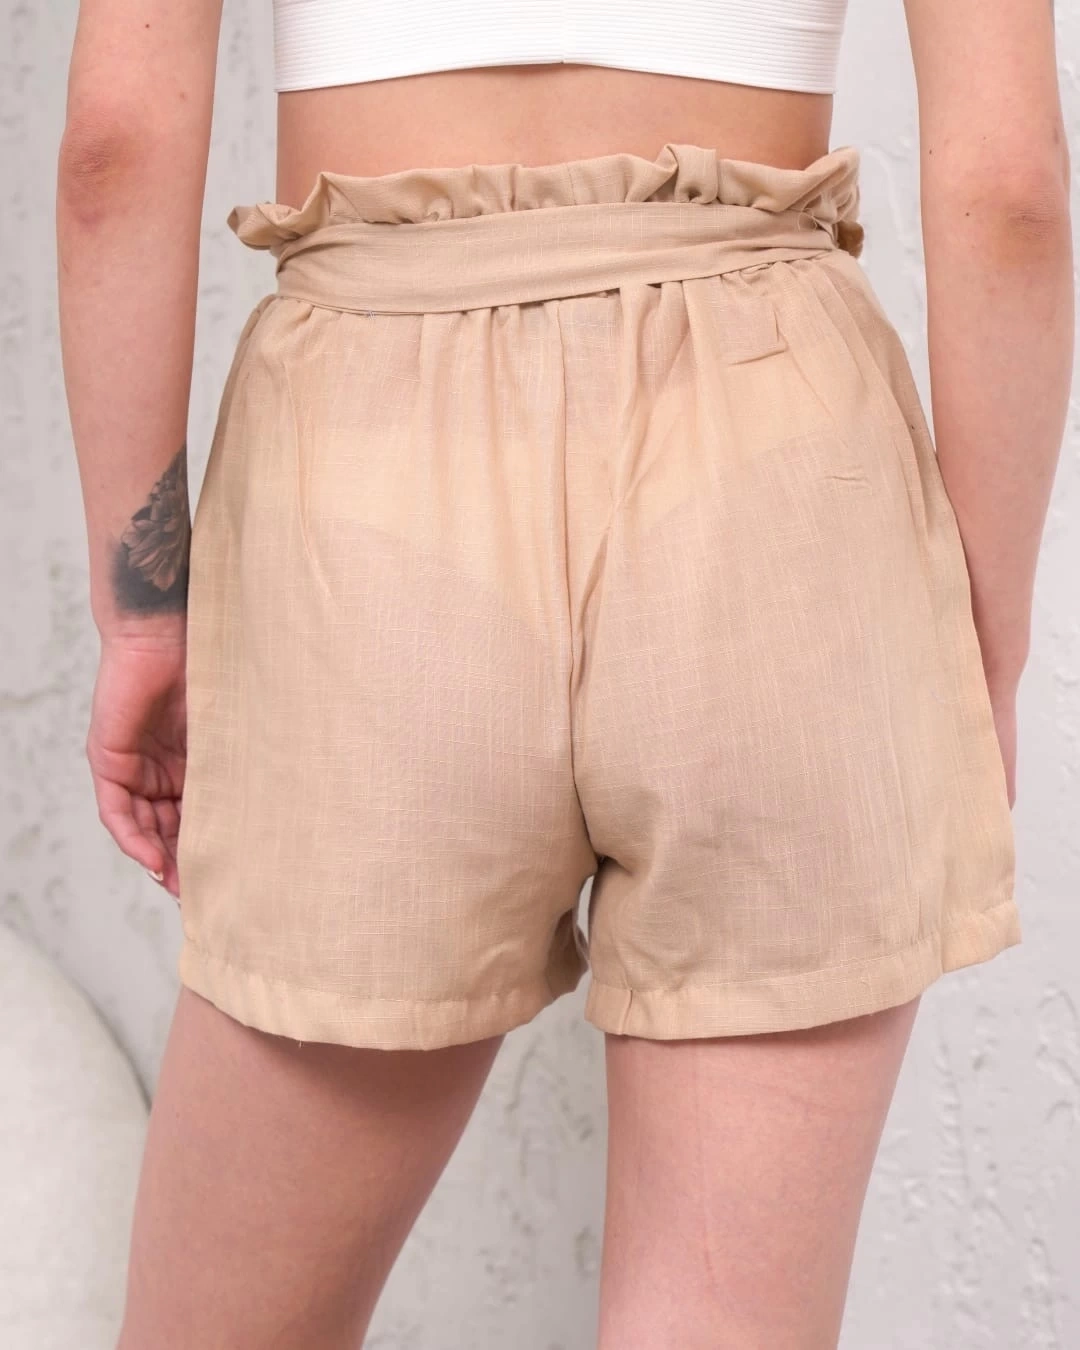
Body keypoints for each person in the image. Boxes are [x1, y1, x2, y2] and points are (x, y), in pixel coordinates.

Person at [56, 0, 1072, 1343]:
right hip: (778, 461)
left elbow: (115, 148)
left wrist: (143, 616)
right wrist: (977, 641)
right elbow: (1011, 189)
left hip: (367, 469)